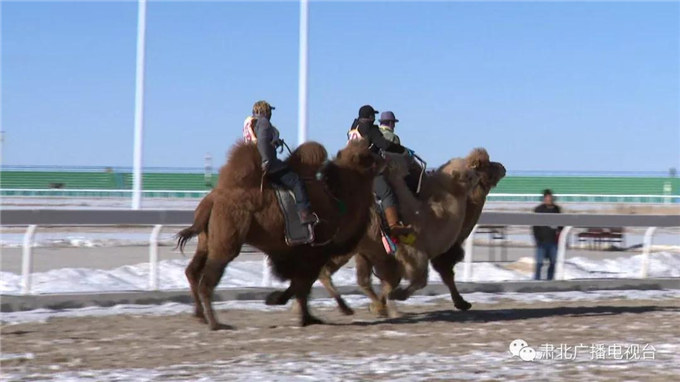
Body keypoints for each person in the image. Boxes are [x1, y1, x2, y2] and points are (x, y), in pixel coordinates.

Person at [347, 105, 413, 236]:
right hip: (368, 168)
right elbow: (385, 145)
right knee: (387, 193)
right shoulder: (371, 129)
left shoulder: (353, 128)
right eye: (373, 116)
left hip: (353, 168)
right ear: (371, 117)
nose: (374, 118)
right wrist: (402, 150)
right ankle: (394, 225)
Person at [249, 100, 317, 225]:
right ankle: (304, 213)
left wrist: (275, 142)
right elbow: (262, 144)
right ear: (266, 111)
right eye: (269, 111)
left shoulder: (251, 124)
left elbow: (259, 142)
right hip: (269, 166)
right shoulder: (264, 123)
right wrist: (266, 161)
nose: (270, 114)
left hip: (256, 165)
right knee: (296, 181)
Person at [532, 189, 562, 280]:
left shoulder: (557, 209)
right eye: (546, 198)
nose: (548, 199)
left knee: (553, 262)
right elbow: (535, 227)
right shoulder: (538, 210)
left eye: (550, 198)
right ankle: (536, 280)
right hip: (541, 241)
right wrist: (537, 239)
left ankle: (549, 280)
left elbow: (561, 224)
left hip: (553, 241)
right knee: (539, 263)